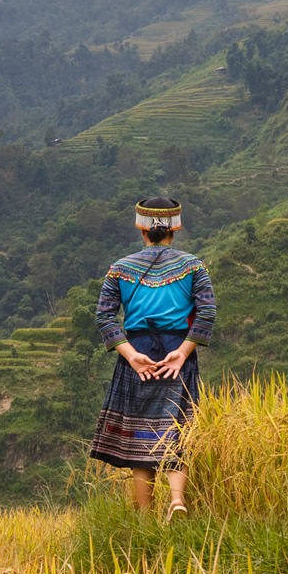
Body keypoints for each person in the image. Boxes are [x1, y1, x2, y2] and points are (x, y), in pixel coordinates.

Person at [88, 197, 214, 517]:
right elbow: (206, 313)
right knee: (178, 428)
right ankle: (177, 500)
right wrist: (182, 353)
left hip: (137, 355)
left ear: (142, 228)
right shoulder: (193, 266)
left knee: (139, 437)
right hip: (178, 355)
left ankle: (144, 520)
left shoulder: (120, 269)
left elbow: (105, 317)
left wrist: (131, 356)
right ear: (175, 229)